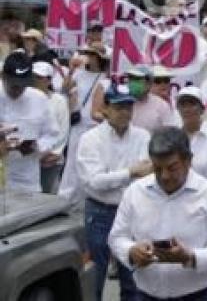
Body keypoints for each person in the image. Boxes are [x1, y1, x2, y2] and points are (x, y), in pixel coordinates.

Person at [109, 127, 207, 301]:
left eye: (172, 167)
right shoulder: (134, 192)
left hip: (198, 295)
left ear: (188, 161)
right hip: (145, 295)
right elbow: (116, 237)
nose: (165, 176)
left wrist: (190, 256)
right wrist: (131, 251)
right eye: (157, 168)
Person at [77, 83, 152, 301]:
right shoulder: (90, 139)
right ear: (106, 109)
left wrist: (114, 176)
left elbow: (146, 174)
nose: (125, 112)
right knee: (95, 276)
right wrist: (130, 172)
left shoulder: (142, 136)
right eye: (119, 107)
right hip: (99, 211)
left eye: (129, 107)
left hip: (132, 211)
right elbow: (94, 181)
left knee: (132, 276)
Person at [0, 52, 60, 192]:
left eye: (22, 85)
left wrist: (36, 146)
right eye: (14, 85)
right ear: (3, 76)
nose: (18, 90)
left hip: (26, 179)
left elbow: (52, 134)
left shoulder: (39, 99)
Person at [59, 43, 111, 202]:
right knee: (72, 161)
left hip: (96, 125)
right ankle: (66, 198)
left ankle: (85, 197)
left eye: (92, 54)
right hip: (79, 124)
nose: (88, 56)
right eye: (87, 53)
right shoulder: (79, 74)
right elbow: (65, 89)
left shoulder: (105, 78)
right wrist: (71, 70)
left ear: (99, 58)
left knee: (90, 161)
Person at [32, 61, 70, 194]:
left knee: (47, 195)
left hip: (52, 158)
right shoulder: (26, 99)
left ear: (49, 80)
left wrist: (55, 152)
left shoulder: (59, 101)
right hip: (30, 157)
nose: (35, 81)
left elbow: (63, 129)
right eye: (33, 77)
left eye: (39, 77)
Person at [125, 66, 180, 132]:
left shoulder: (162, 106)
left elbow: (169, 134)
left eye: (166, 81)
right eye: (131, 78)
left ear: (149, 83)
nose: (163, 84)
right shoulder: (120, 103)